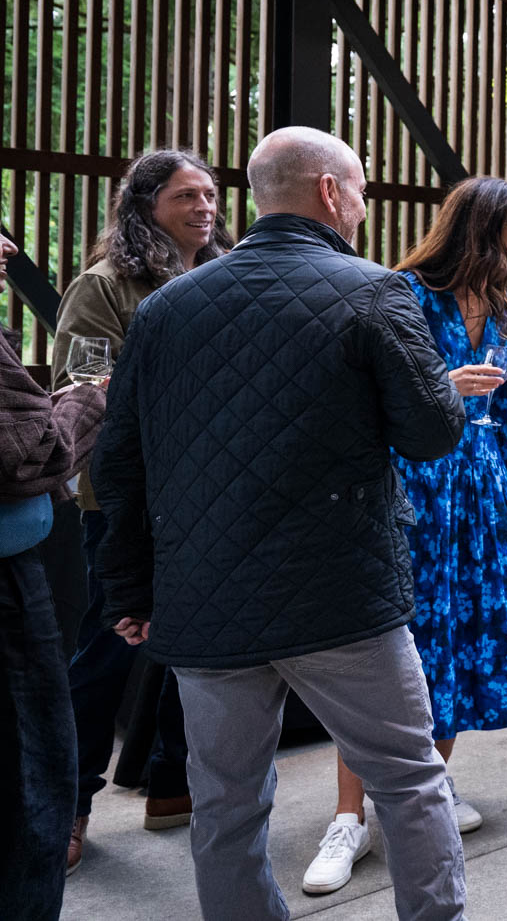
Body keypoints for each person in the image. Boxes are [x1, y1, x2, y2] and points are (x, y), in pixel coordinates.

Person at [91, 126, 469, 921]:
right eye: (361, 191)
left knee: (224, 806)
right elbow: (432, 432)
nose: (364, 208)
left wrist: (128, 585)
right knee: (407, 778)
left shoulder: (164, 309)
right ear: (329, 192)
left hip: (204, 602)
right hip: (342, 596)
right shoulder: (373, 290)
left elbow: (118, 460)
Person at [305, 177, 507, 896]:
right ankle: (347, 816)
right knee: (388, 643)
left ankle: (426, 784)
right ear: (482, 227)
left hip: (479, 489)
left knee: (459, 638)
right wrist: (441, 382)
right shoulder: (403, 295)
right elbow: (364, 397)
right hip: (411, 482)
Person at [52, 150, 229, 869]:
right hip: (126, 500)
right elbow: (82, 385)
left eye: (213, 193)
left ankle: (171, 786)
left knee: (205, 650)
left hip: (211, 494)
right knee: (106, 650)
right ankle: (66, 804)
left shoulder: (224, 276)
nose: (206, 206)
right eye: (188, 194)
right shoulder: (104, 286)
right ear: (145, 203)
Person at [1, 227, 108, 921]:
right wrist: (87, 401)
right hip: (9, 579)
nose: (8, 245)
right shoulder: (101, 288)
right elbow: (28, 455)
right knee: (35, 773)